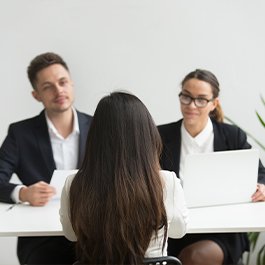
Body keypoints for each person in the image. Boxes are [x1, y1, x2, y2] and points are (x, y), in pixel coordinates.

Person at [59, 91, 189, 265]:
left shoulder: (74, 183)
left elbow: (71, 234)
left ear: (95, 138)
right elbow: (178, 231)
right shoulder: (166, 182)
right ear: (146, 136)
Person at [158, 69, 265, 265]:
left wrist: (262, 187)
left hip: (222, 230)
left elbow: (261, 174)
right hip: (173, 229)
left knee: (194, 257)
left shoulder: (232, 136)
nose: (191, 105)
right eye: (186, 97)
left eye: (201, 99)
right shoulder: (161, 135)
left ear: (214, 103)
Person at [0, 52, 92, 264]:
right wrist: (22, 192)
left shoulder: (99, 127)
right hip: (41, 238)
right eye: (48, 86)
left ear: (72, 84)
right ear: (36, 95)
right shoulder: (20, 133)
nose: (58, 90)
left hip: (92, 232)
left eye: (62, 82)